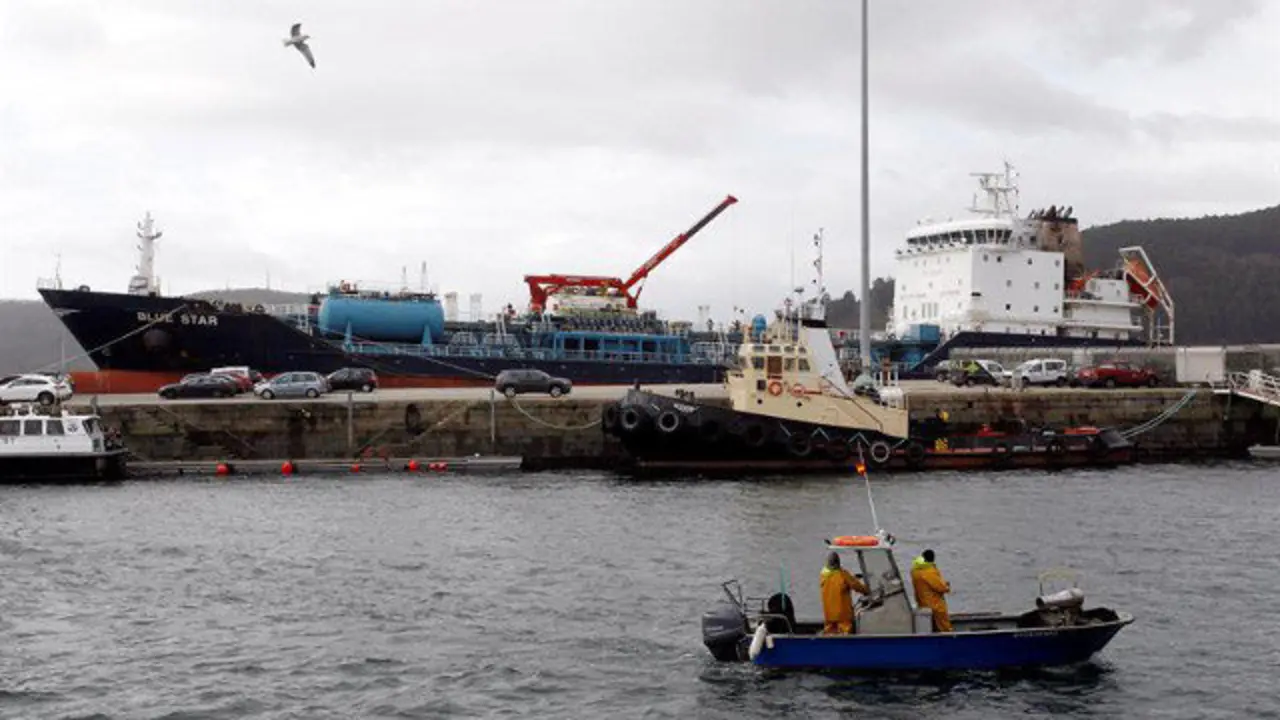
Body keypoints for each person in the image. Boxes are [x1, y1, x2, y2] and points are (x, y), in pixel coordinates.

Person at [820, 551, 870, 635]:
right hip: (842, 614)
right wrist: (867, 591)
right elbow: (856, 586)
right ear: (838, 563)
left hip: (829, 614)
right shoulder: (843, 574)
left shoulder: (823, 575)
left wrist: (852, 577)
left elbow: (835, 584)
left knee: (829, 632)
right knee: (845, 632)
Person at [911, 549, 953, 632]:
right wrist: (946, 585)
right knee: (944, 626)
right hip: (934, 604)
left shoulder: (915, 571)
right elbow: (941, 587)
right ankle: (948, 640)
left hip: (922, 603)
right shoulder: (929, 571)